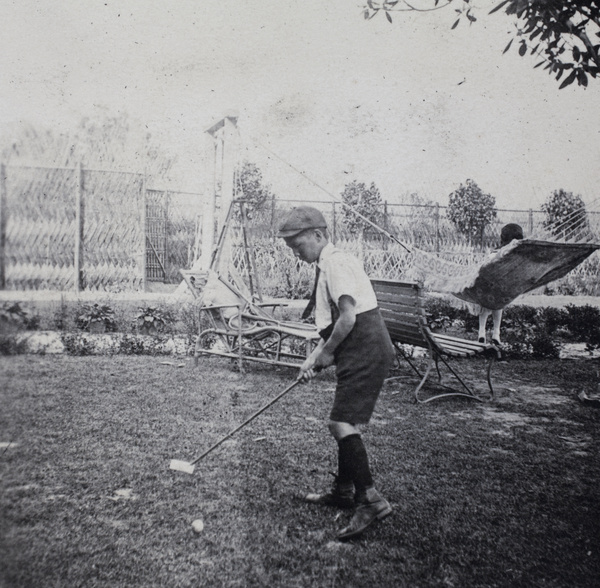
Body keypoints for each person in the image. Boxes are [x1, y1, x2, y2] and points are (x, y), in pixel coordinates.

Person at [278, 205, 395, 541]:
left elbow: (348, 318)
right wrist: (314, 357)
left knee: (340, 423)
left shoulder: (337, 263)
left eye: (299, 246)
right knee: (344, 420)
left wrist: (326, 353)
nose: (297, 253)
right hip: (355, 348)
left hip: (365, 349)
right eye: (292, 249)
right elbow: (332, 325)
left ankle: (370, 499)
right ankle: (343, 492)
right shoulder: (326, 263)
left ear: (318, 235)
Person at [477, 223, 524, 345]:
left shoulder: (495, 252)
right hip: (503, 287)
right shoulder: (517, 255)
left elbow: (485, 267)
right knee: (498, 305)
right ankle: (496, 333)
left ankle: (481, 331)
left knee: (486, 306)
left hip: (487, 284)